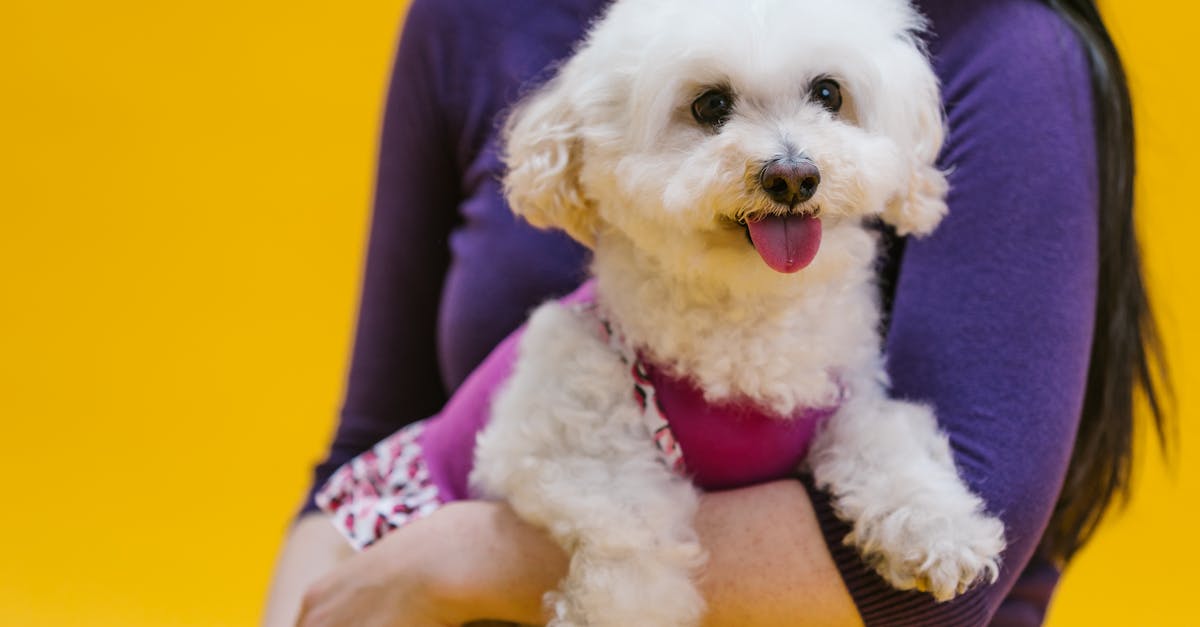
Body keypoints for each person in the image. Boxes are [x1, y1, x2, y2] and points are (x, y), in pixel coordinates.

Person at [262, 0, 1171, 625]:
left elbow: (947, 585)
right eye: (710, 109)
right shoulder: (479, 24)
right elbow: (368, 450)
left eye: (825, 100)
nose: (788, 161)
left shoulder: (999, 44)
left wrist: (477, 557)